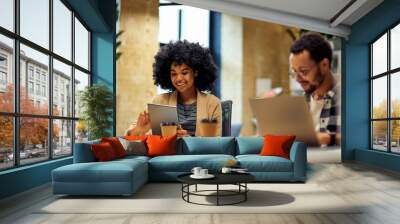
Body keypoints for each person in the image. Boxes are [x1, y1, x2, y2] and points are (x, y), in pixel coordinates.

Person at [126, 40, 222, 137]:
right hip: (168, 152)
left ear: (196, 72)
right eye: (174, 74)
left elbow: (217, 142)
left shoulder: (213, 104)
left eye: (184, 73)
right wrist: (138, 130)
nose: (179, 78)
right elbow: (130, 136)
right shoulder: (159, 101)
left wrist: (187, 139)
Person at [289, 32, 340, 145]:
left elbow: (361, 137)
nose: (297, 79)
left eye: (303, 71)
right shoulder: (303, 100)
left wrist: (326, 138)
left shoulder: (348, 93)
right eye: (294, 72)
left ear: (324, 65)